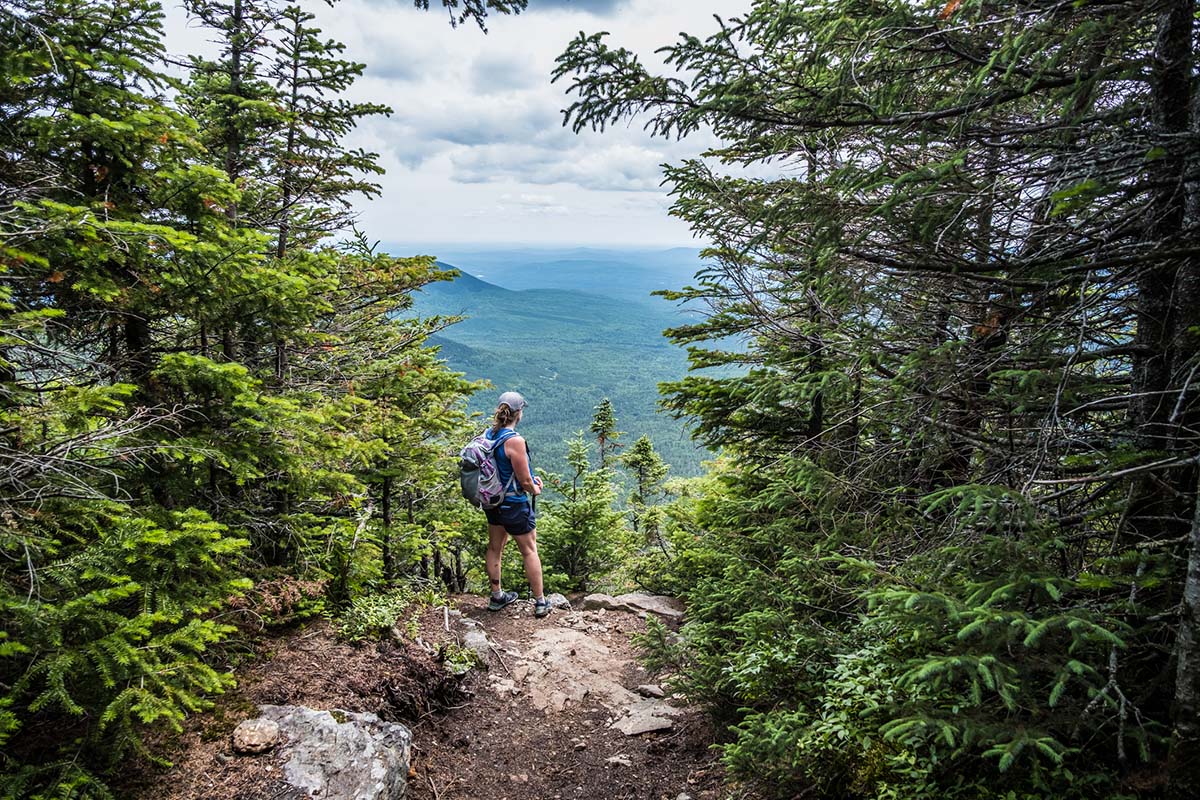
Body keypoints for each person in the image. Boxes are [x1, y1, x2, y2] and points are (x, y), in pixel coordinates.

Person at [483, 391, 551, 617]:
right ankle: (541, 602)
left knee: (495, 548)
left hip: (492, 502)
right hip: (514, 504)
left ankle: (497, 596)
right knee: (529, 550)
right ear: (518, 413)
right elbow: (524, 481)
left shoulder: (488, 435)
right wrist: (536, 488)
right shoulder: (515, 441)